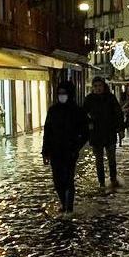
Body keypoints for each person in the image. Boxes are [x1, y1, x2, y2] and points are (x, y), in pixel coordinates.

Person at [42, 81, 89, 215]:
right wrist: (45, 152)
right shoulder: (53, 110)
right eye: (60, 93)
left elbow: (85, 133)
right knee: (57, 181)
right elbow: (47, 132)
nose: (61, 96)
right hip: (55, 151)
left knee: (68, 179)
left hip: (70, 151)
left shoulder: (78, 111)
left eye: (64, 93)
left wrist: (76, 147)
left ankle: (69, 208)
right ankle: (64, 203)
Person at [82, 77, 124, 189]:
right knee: (99, 160)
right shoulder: (89, 99)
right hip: (96, 135)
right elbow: (83, 115)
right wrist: (88, 124)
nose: (98, 88)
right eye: (95, 86)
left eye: (99, 86)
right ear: (93, 87)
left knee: (111, 159)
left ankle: (113, 180)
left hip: (110, 133)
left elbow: (118, 113)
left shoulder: (110, 98)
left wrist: (120, 129)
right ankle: (101, 183)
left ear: (103, 86)